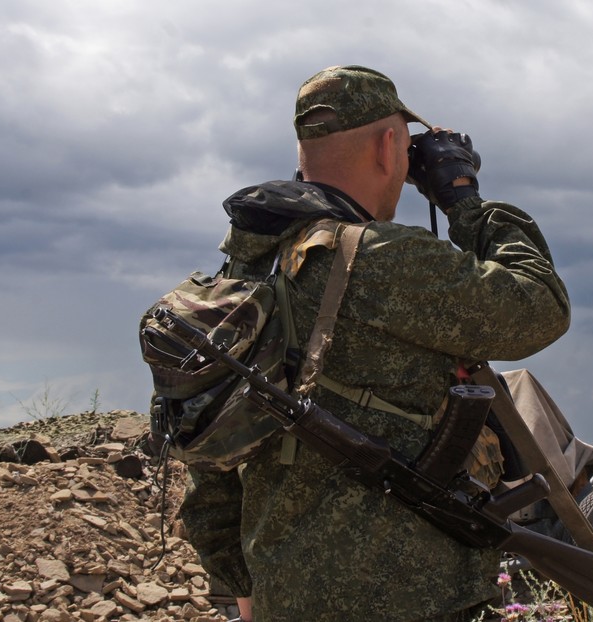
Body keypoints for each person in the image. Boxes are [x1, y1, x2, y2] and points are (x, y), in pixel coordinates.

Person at [177, 65, 571, 622]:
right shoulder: (385, 260)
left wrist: (240, 586)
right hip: (412, 595)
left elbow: (207, 441)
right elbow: (541, 307)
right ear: (389, 147)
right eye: (408, 149)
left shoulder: (243, 270)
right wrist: (465, 203)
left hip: (281, 594)